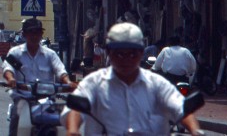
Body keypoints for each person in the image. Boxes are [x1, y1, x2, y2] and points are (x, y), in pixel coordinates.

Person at [63, 22, 203, 136]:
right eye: (119, 54)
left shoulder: (158, 85)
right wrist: (73, 130)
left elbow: (180, 108)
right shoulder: (93, 83)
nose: (126, 60)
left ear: (141, 53)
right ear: (109, 54)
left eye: (132, 54)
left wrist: (195, 130)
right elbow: (75, 110)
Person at [4, 18, 76, 136]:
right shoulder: (15, 53)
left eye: (37, 33)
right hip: (24, 98)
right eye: (31, 33)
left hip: (47, 99)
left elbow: (60, 70)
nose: (34, 36)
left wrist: (68, 82)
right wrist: (11, 79)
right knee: (17, 115)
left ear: (41, 34)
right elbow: (8, 69)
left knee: (62, 120)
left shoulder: (50, 54)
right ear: (24, 34)